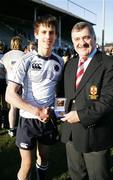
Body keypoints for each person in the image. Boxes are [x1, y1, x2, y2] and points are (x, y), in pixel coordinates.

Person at [5, 14, 64, 180]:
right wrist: (37, 111)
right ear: (36, 34)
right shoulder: (26, 60)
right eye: (44, 32)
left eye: (51, 32)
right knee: (27, 164)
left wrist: (57, 113)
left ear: (56, 36)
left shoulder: (59, 61)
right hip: (28, 120)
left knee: (44, 158)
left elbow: (61, 94)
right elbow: (10, 95)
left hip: (48, 120)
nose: (48, 36)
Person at [60, 22, 113, 180]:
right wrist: (58, 112)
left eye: (86, 37)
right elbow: (62, 94)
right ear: (72, 42)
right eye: (77, 39)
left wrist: (79, 116)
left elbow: (109, 101)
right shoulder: (70, 64)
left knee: (98, 176)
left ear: (94, 38)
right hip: (71, 133)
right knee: (77, 175)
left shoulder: (109, 64)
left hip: (95, 134)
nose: (82, 43)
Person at [2, 36, 24, 137]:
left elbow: (3, 70)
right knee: (23, 106)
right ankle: (22, 127)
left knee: (13, 107)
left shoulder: (5, 56)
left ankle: (12, 128)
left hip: (10, 83)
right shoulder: (24, 55)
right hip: (21, 83)